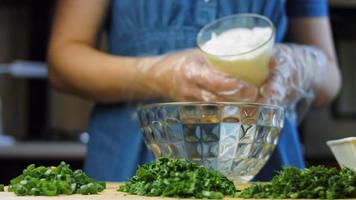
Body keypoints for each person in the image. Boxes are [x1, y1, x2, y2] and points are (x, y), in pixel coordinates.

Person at [47, 0, 341, 181]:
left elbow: (330, 79)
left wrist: (300, 67)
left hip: (259, 165)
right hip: (129, 163)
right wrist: (161, 75)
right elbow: (62, 61)